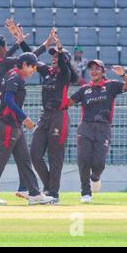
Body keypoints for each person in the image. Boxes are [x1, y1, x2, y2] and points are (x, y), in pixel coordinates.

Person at [0, 20, 56, 200]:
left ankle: (23, 190)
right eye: (6, 46)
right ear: (1, 48)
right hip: (1, 112)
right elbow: (30, 57)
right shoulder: (9, 67)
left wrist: (16, 42)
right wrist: (45, 45)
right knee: (1, 156)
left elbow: (13, 59)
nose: (8, 49)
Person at [69, 60, 127, 204]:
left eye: (97, 68)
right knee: (84, 160)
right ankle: (86, 193)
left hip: (103, 128)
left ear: (103, 71)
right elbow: (69, 102)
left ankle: (96, 177)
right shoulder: (84, 89)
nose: (94, 71)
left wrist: (123, 74)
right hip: (85, 127)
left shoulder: (111, 85)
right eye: (91, 69)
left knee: (99, 163)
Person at [29, 34, 78, 204]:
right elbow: (30, 58)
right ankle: (49, 187)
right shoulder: (46, 72)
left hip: (60, 116)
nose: (53, 59)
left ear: (64, 59)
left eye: (57, 56)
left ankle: (53, 194)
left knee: (55, 157)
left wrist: (60, 49)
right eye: (53, 57)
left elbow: (65, 67)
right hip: (45, 116)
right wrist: (22, 43)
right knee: (34, 154)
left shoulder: (65, 74)